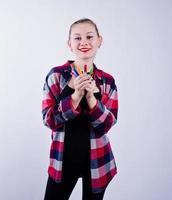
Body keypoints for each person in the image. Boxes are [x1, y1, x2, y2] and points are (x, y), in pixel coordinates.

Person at [42, 18, 118, 200]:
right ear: (70, 44)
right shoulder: (56, 76)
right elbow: (49, 119)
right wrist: (75, 96)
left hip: (98, 161)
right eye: (77, 38)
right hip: (63, 160)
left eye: (89, 37)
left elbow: (107, 124)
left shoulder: (107, 81)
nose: (84, 42)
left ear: (99, 41)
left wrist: (92, 98)